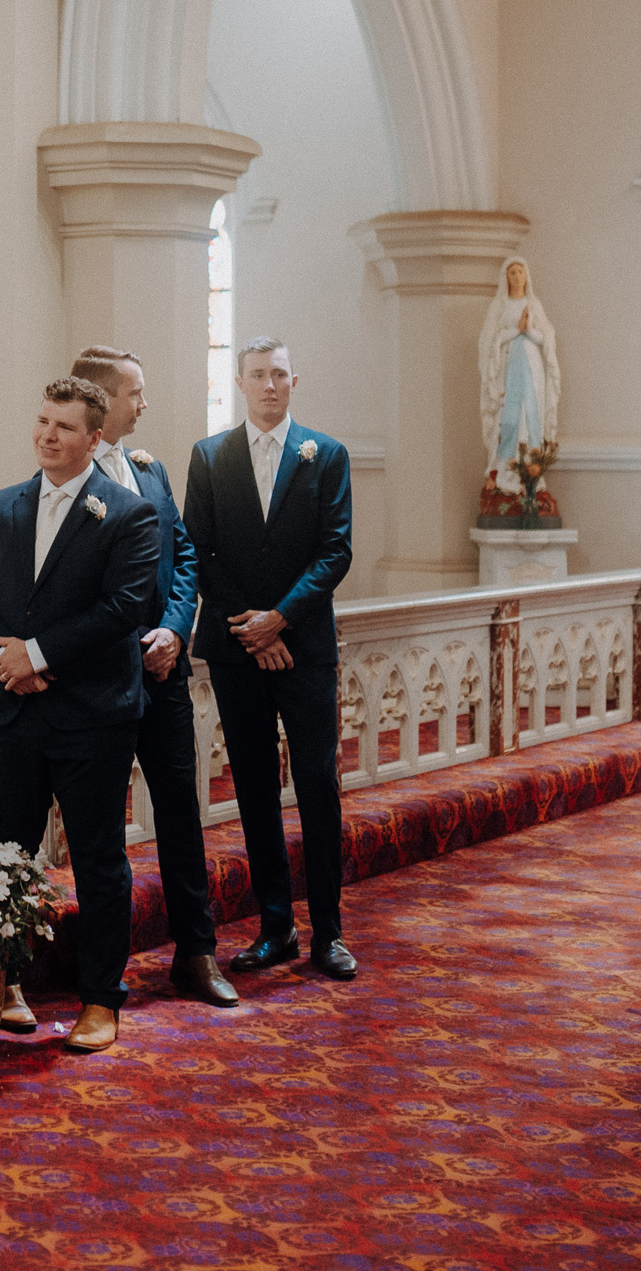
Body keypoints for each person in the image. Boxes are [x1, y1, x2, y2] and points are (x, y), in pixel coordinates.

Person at [0, 377, 160, 1052]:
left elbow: (124, 609)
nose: (47, 435)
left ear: (94, 439)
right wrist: (7, 659)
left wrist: (38, 655)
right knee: (6, 853)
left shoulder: (128, 513)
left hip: (92, 714)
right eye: (42, 421)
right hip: (13, 709)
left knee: (98, 860)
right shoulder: (3, 505)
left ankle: (101, 1001)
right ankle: (8, 984)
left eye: (64, 427)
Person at [182, 338, 357, 980]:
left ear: (294, 380)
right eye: (257, 375)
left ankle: (329, 934)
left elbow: (335, 552)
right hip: (235, 648)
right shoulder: (209, 456)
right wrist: (252, 629)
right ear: (239, 381)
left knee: (317, 787)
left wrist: (280, 619)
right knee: (254, 787)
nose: (269, 385)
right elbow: (197, 552)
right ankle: (276, 926)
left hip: (304, 646)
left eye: (279, 374)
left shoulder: (326, 454)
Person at [71, 345, 237, 1007]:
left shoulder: (151, 468)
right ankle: (100, 977)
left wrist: (174, 628)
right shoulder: (67, 480)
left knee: (180, 815)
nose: (144, 403)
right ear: (100, 401)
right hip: (103, 682)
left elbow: (186, 552)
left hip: (164, 674)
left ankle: (196, 954)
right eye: (134, 392)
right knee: (103, 833)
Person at [478, 256, 560, 473]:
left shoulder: (533, 305)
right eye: (512, 272)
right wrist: (516, 329)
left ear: (527, 276)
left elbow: (546, 339)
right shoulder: (500, 306)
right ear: (505, 277)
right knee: (510, 417)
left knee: (531, 413)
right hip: (509, 368)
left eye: (520, 272)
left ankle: (531, 471)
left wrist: (528, 331)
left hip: (532, 368)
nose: (517, 276)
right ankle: (504, 469)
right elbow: (488, 340)